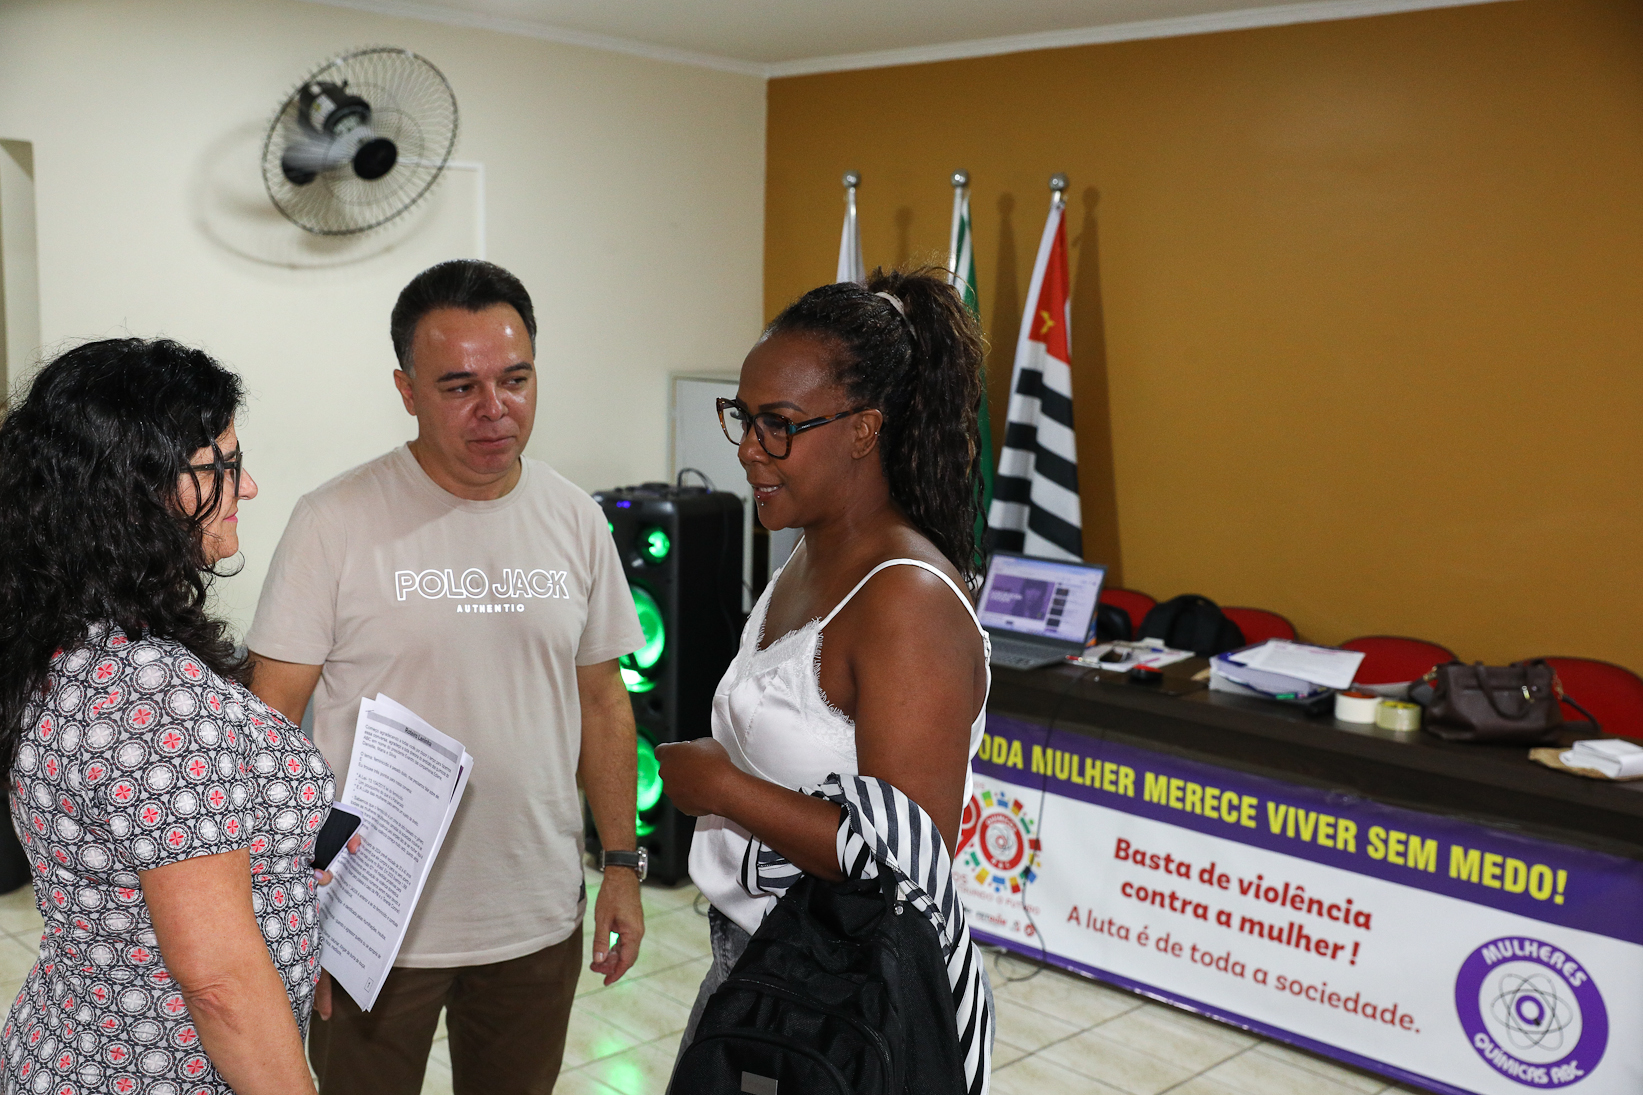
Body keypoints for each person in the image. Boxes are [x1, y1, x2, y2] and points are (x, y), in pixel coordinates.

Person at [245, 259, 646, 1095]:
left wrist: (620, 862)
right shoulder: (335, 519)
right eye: (459, 385)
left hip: (534, 912)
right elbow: (267, 725)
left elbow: (603, 700)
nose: (494, 409)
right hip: (370, 925)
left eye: (516, 378)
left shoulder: (574, 518)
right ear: (406, 389)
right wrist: (284, 914)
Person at [658, 267, 993, 1053]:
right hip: (763, 957)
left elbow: (906, 862)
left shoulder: (903, 602)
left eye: (776, 423)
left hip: (849, 998)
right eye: (741, 417)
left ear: (862, 429)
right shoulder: (804, 556)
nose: (747, 448)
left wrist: (721, 788)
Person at [0, 338, 336, 1095]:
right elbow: (217, 982)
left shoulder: (69, 632)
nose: (247, 487)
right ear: (145, 488)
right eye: (223, 465)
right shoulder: (150, 694)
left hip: (77, 1043)